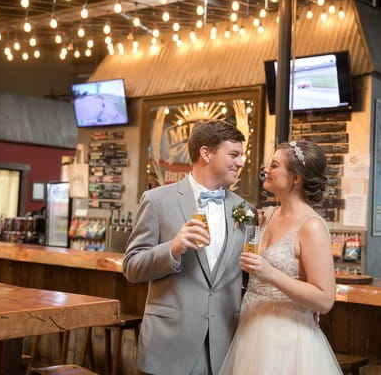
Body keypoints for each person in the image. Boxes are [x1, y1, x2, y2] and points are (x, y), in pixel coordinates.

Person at [123, 120, 254, 375]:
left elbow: (249, 274)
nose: (240, 163)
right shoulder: (157, 200)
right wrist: (172, 248)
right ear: (206, 153)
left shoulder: (245, 210)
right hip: (170, 344)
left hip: (224, 346)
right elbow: (132, 267)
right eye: (234, 155)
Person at [219, 140, 342, 375]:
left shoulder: (312, 226)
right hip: (250, 329)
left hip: (287, 338)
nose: (266, 170)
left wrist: (270, 273)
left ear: (296, 178)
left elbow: (325, 300)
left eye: (274, 165)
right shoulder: (266, 216)